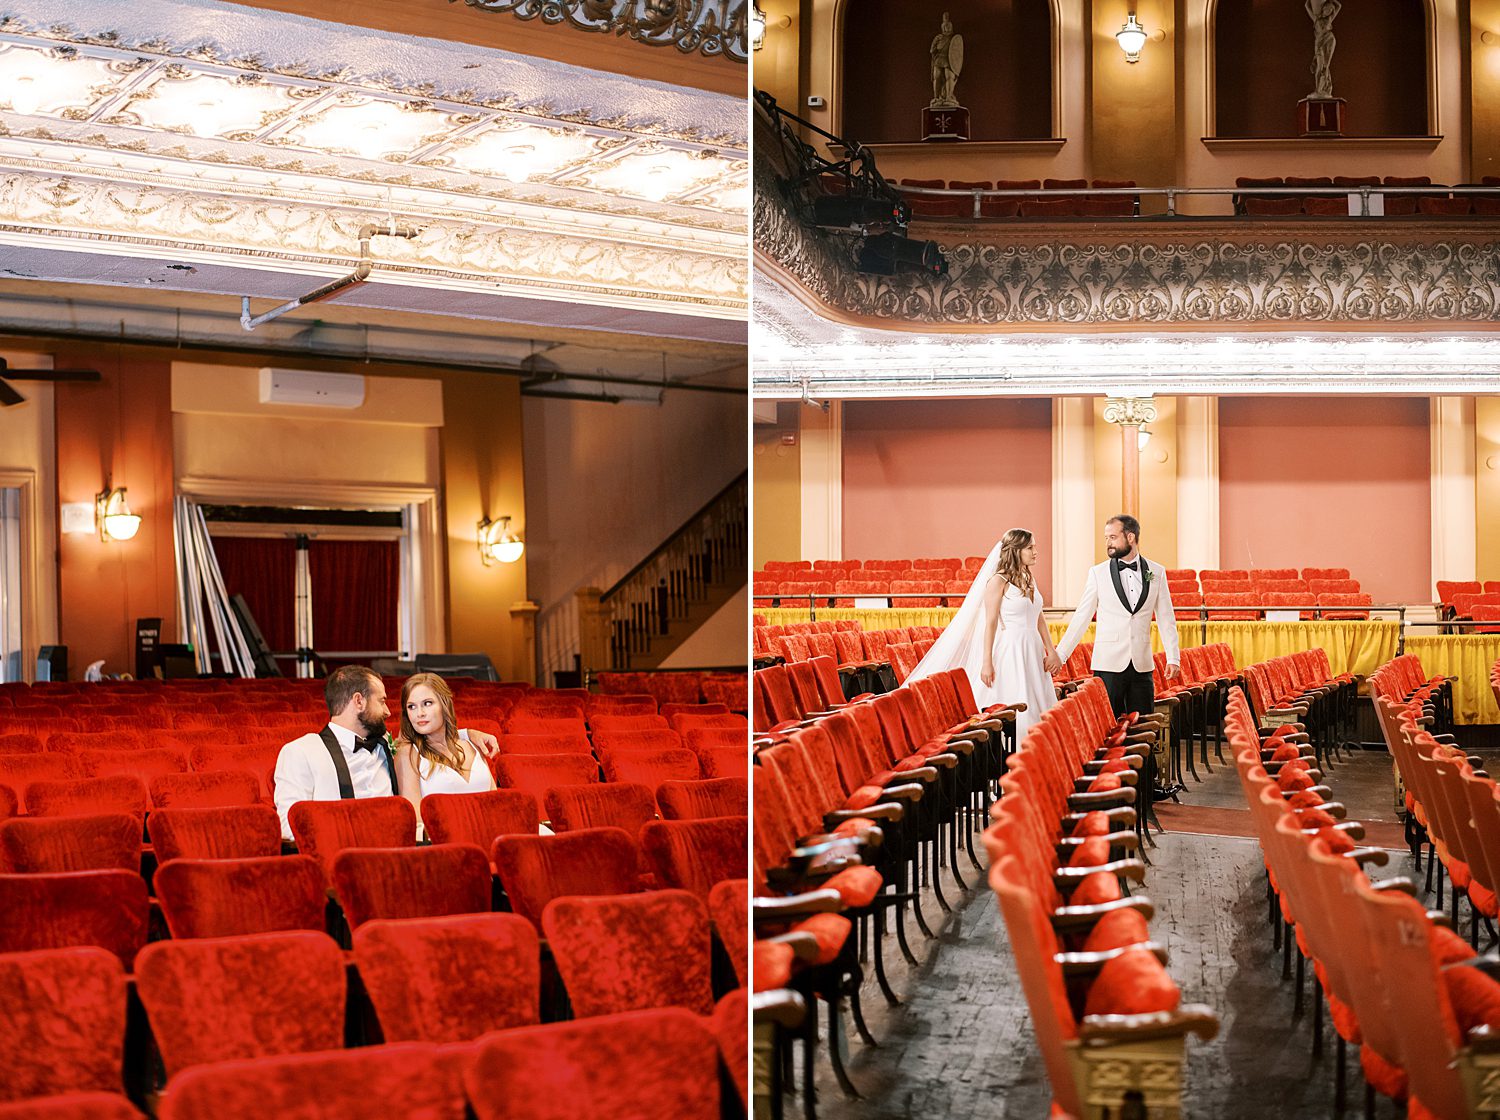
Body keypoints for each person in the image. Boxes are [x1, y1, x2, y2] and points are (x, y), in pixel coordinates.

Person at [272, 665, 499, 841]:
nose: (389, 711)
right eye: (381, 701)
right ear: (358, 701)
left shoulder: (385, 745)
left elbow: (432, 736)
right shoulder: (300, 752)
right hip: (342, 858)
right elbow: (287, 826)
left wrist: (468, 734)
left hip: (399, 854)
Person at [906, 528, 1061, 740]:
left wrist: (1051, 650)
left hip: (1032, 646)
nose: (1035, 552)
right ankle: (1015, 746)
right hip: (1011, 648)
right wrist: (986, 661)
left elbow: (1038, 616)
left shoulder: (1028, 577)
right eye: (1030, 547)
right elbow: (990, 623)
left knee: (1038, 699)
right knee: (1017, 696)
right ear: (1015, 550)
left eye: (1034, 547)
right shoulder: (998, 581)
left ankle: (1041, 747)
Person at [1054, 514, 1180, 720]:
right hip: (1108, 665)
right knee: (1107, 725)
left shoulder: (1157, 572)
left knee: (1144, 723)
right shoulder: (1097, 573)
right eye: (1106, 538)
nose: (1108, 543)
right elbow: (1081, 618)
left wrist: (1173, 657)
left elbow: (1166, 618)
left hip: (1141, 665)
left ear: (1130, 537)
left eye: (1112, 537)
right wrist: (1061, 655)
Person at [392, 671, 495, 821]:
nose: (419, 713)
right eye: (411, 707)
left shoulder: (473, 745)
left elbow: (495, 800)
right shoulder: (407, 753)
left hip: (489, 833)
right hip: (443, 839)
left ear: (444, 704)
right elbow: (416, 818)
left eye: (427, 703)